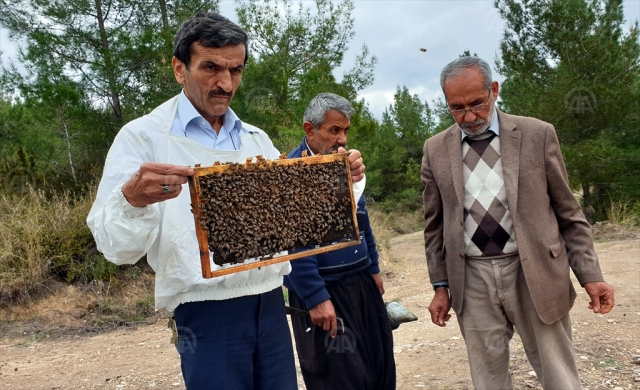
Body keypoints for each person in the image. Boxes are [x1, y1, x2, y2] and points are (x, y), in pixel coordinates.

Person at [86, 13, 365, 390]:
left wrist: (342, 182)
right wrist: (130, 200)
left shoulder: (256, 140)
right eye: (211, 67)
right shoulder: (141, 137)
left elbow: (294, 224)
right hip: (204, 313)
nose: (225, 83)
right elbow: (115, 248)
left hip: (270, 304)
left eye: (235, 70)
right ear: (179, 68)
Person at [421, 56, 615, 389]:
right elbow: (434, 227)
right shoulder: (435, 149)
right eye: (457, 108)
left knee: (559, 376)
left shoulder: (537, 134)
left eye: (476, 103)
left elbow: (569, 214)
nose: (468, 116)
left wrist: (590, 276)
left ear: (494, 90)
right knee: (488, 379)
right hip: (472, 279)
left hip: (535, 271)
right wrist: (440, 286)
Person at [284, 93, 396, 390]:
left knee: (378, 369)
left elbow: (362, 218)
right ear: (310, 129)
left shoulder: (344, 164)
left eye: (345, 130)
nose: (342, 139)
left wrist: (373, 268)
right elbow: (294, 242)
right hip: (325, 292)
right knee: (339, 378)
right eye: (334, 130)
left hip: (360, 283)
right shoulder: (289, 171)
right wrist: (315, 297)